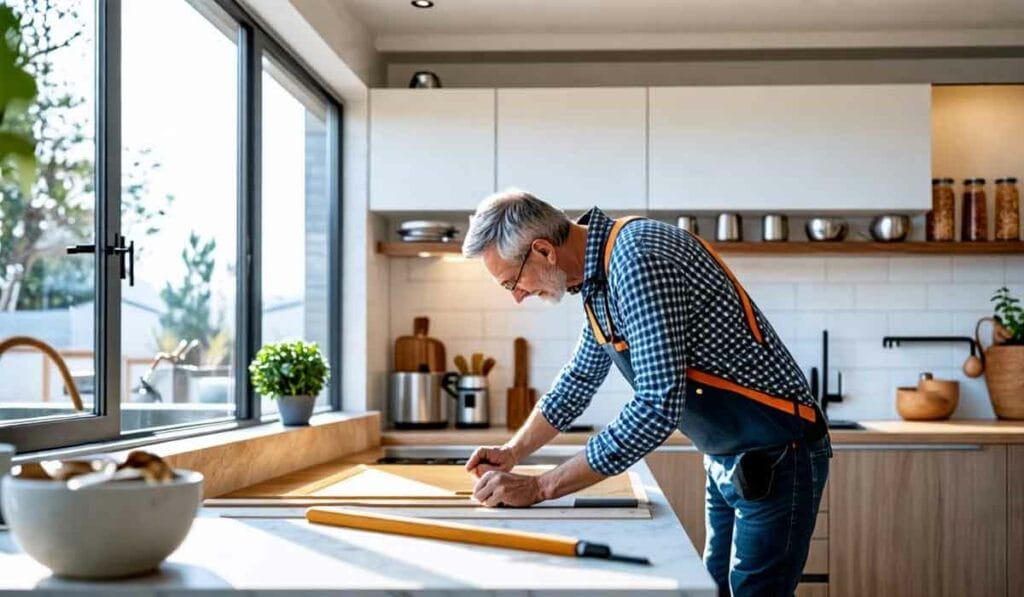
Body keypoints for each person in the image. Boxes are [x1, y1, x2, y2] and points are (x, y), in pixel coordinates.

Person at [460, 189, 831, 596]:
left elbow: (657, 405)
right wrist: (513, 453)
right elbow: (580, 378)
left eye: (512, 281)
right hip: (728, 455)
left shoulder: (636, 257)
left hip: (776, 450)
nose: (517, 296)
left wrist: (540, 488)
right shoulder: (597, 277)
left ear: (544, 250)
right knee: (715, 589)